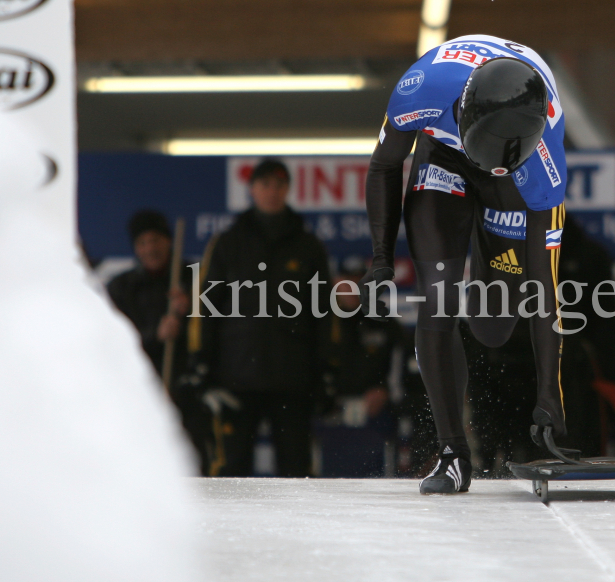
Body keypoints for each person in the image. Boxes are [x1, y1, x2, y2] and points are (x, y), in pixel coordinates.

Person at [361, 36, 568, 494]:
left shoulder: (546, 151)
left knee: (492, 328)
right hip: (445, 157)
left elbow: (544, 287)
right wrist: (380, 257)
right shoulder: (421, 88)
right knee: (438, 298)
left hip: (513, 179)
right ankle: (453, 453)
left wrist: (550, 392)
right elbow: (384, 165)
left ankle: (481, 241)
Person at [184, 159, 331, 477]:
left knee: (297, 472)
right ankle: (228, 530)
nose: (272, 192)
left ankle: (299, 529)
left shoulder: (309, 246)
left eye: (279, 185)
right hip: (236, 379)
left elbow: (323, 313)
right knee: (231, 472)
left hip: (292, 378)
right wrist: (201, 361)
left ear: (288, 190)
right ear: (251, 190)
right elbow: (206, 307)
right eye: (265, 184)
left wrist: (325, 369)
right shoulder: (227, 242)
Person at [314, 256, 405, 477]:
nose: (353, 289)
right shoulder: (319, 323)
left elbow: (400, 371)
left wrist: (384, 391)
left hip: (375, 415)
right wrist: (325, 398)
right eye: (347, 282)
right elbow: (309, 369)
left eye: (359, 282)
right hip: (328, 413)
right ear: (335, 283)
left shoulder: (385, 323)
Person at [107, 210, 189, 380]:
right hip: (139, 383)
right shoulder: (121, 287)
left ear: (168, 240)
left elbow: (212, 333)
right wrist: (156, 335)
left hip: (186, 382)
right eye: (142, 243)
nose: (150, 249)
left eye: (155, 240)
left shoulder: (194, 278)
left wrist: (191, 310)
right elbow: (115, 342)